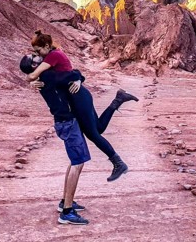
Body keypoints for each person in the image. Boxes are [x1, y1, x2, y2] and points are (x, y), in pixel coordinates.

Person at [24, 30, 139, 182]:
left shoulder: (51, 60)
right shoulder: (49, 67)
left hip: (78, 99)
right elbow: (70, 74)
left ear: (46, 46)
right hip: (80, 96)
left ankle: (118, 163)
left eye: (37, 52)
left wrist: (32, 80)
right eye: (34, 55)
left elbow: (71, 74)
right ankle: (118, 100)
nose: (37, 55)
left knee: (93, 134)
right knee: (98, 129)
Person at [18, 54, 89, 225]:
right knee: (78, 162)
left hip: (65, 122)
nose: (40, 58)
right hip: (67, 123)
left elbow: (71, 75)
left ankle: (65, 201)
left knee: (75, 161)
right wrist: (79, 79)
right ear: (35, 67)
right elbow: (73, 74)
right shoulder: (48, 76)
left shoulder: (46, 77)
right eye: (35, 59)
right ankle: (67, 212)